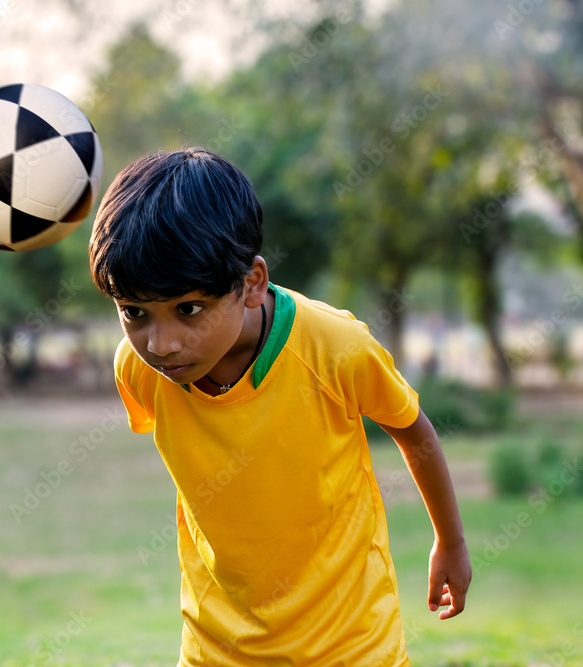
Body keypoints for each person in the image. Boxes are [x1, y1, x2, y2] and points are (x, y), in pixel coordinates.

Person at [88, 148, 471, 665]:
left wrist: (450, 542)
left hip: (350, 643)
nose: (162, 343)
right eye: (134, 312)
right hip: (216, 646)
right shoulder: (139, 371)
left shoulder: (337, 350)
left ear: (251, 282)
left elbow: (413, 431)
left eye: (189, 309)